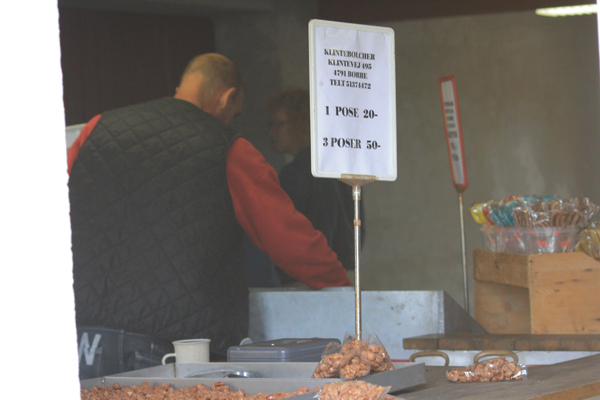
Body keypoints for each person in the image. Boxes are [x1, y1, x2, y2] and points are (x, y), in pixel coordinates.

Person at [67, 53, 351, 379]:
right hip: (164, 348)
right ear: (227, 97)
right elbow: (289, 239)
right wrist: (339, 286)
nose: (231, 120)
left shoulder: (95, 129)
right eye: (235, 112)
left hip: (78, 337)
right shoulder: (228, 147)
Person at [248, 88, 361, 286]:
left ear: (304, 124)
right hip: (337, 279)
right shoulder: (339, 169)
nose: (271, 132)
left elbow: (283, 238)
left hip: (303, 282)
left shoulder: (296, 173)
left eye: (278, 124)